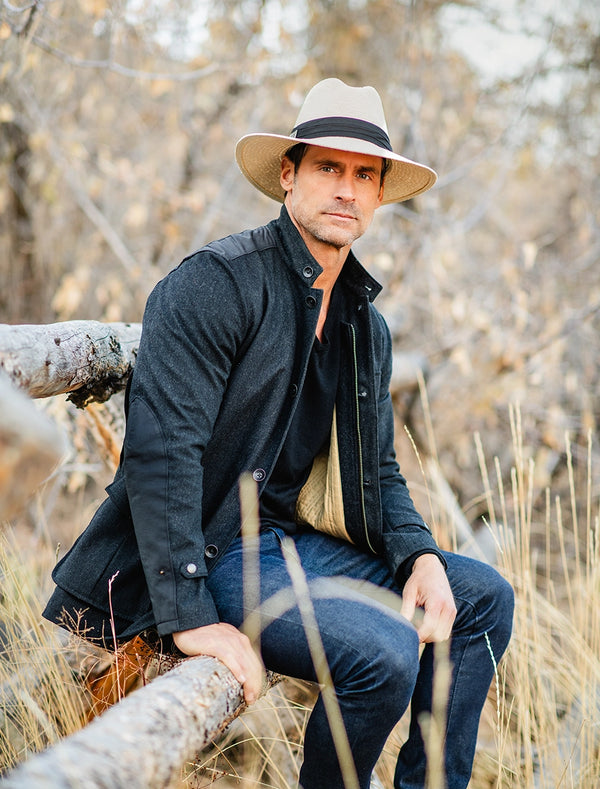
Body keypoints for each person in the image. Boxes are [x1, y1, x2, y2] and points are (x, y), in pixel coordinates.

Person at [44, 78, 514, 788]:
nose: (346, 189)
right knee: (385, 651)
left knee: (482, 597)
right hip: (214, 551)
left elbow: (379, 472)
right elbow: (161, 453)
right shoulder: (216, 284)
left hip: (293, 546)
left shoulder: (364, 326)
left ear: (381, 194)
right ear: (288, 176)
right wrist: (190, 616)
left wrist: (418, 554)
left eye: (364, 175)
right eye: (328, 167)